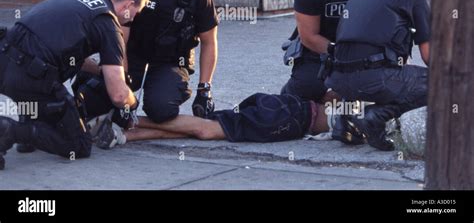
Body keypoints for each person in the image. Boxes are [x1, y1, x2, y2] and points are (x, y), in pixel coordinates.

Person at [0, 0, 148, 169]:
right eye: (136, 12)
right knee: (78, 145)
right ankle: (11, 130)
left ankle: (28, 128)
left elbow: (63, 48)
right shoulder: (109, 25)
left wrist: (99, 70)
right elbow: (119, 95)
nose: (134, 18)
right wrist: (132, 102)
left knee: (42, 82)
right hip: (30, 76)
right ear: (128, 5)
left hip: (5, 58)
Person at [280, 0, 385, 143]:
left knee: (387, 83)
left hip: (363, 46)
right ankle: (309, 97)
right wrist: (341, 55)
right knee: (298, 99)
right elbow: (309, 37)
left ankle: (348, 104)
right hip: (321, 50)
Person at [325, 0, 430, 151]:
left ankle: (346, 121)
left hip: (338, 79)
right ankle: (377, 116)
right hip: (372, 79)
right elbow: (428, 56)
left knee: (380, 68)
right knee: (440, 83)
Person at [122, 0, 218, 123]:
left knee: (161, 110)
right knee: (100, 94)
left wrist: (205, 90)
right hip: (134, 56)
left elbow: (209, 42)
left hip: (171, 61)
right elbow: (119, 40)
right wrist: (121, 83)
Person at [88, 92, 334, 148]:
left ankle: (124, 134)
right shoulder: (360, 102)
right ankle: (129, 120)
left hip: (291, 120)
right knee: (205, 130)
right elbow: (329, 94)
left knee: (201, 131)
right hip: (291, 116)